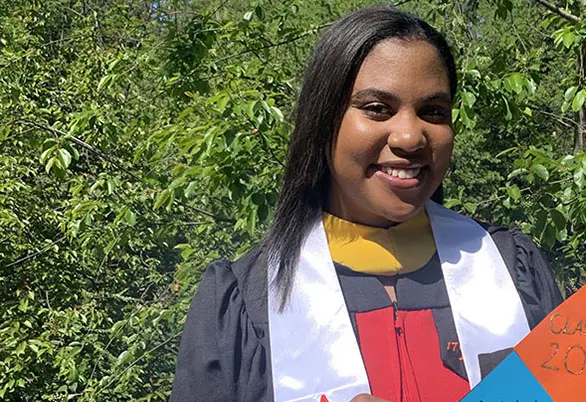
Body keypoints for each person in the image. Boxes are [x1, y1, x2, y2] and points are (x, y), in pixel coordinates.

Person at [171, 6, 563, 402]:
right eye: (377, 108)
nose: (410, 136)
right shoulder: (248, 302)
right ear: (323, 122)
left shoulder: (510, 270)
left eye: (433, 112)